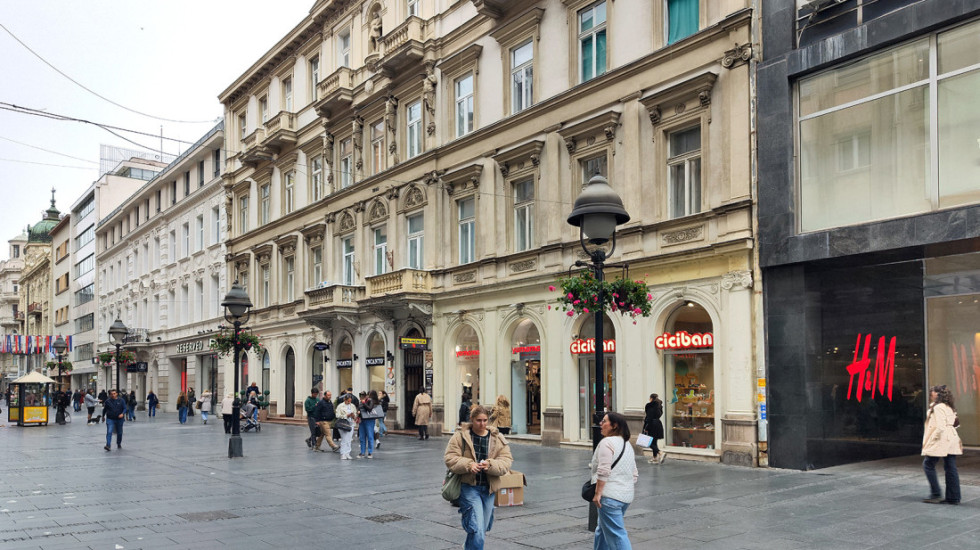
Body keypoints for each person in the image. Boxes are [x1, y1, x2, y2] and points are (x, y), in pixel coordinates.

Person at [444, 404, 514, 550]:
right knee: (477, 529)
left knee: (482, 528)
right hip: (469, 488)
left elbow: (506, 461)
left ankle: (468, 547)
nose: (482, 424)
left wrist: (491, 465)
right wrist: (469, 465)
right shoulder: (460, 436)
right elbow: (450, 458)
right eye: (478, 420)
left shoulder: (497, 437)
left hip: (489, 489)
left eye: (485, 420)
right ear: (472, 419)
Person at [590, 411, 639, 550]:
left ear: (614, 425)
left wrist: (598, 493)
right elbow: (634, 474)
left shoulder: (607, 443)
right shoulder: (626, 444)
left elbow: (603, 470)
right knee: (603, 529)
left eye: (604, 421)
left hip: (609, 497)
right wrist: (623, 485)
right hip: (625, 496)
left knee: (617, 535)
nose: (601, 424)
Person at [922, 384, 962, 505]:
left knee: (928, 464)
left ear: (938, 394)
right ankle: (953, 497)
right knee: (950, 467)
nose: (931, 393)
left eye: (933, 392)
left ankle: (936, 493)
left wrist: (933, 439)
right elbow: (956, 424)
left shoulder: (938, 407)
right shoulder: (949, 406)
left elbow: (940, 427)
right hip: (951, 437)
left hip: (941, 438)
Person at [643, 393, 666, 464]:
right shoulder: (659, 406)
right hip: (658, 424)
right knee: (654, 442)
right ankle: (655, 458)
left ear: (651, 398)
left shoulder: (650, 406)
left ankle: (660, 452)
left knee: (648, 442)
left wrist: (646, 427)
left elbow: (649, 417)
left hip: (651, 425)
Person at [358, 390, 381, 458]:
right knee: (362, 437)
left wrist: (364, 403)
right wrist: (358, 412)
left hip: (369, 420)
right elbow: (359, 409)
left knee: (370, 436)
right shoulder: (361, 401)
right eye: (361, 395)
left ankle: (370, 452)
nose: (362, 397)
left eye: (363, 395)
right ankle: (362, 452)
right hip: (362, 420)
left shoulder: (370, 400)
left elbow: (369, 409)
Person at [336, 393, 357, 459]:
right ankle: (343, 453)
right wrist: (346, 416)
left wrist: (353, 416)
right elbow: (337, 415)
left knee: (349, 439)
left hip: (351, 423)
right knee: (344, 438)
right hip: (343, 423)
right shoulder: (340, 406)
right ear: (344, 400)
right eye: (348, 401)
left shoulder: (352, 406)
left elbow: (355, 414)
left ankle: (347, 453)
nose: (349, 402)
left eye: (350, 401)